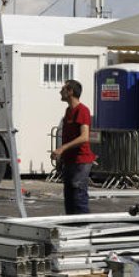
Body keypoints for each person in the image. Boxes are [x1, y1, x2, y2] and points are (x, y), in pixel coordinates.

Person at [51, 79, 94, 215]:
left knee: (78, 197)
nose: (60, 92)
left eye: (63, 89)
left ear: (70, 92)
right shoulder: (68, 111)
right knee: (69, 198)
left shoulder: (82, 110)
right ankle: (71, 225)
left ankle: (83, 228)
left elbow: (84, 137)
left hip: (80, 161)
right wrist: (61, 157)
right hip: (70, 161)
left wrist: (62, 148)